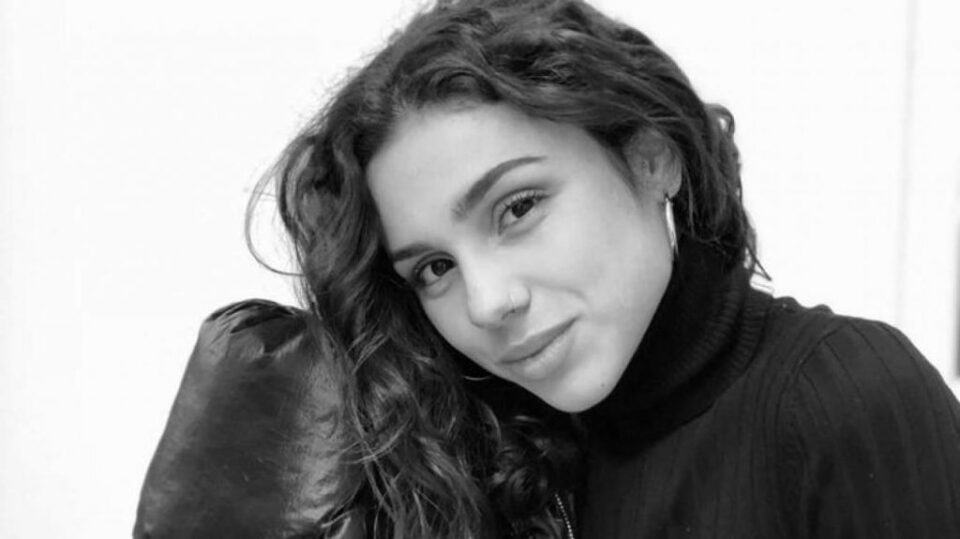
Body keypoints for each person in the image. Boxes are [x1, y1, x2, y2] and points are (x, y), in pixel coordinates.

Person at [134, 0, 960, 537]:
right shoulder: (499, 454)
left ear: (651, 157)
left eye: (518, 207)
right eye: (433, 268)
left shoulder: (844, 396)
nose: (487, 302)